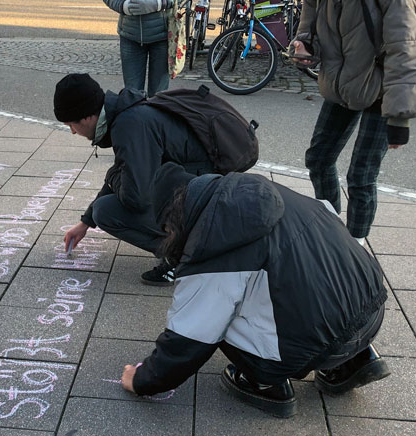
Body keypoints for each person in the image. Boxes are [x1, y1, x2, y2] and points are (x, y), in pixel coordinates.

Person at [119, 162, 391, 417]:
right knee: (285, 280)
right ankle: (356, 359)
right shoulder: (258, 190)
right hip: (373, 309)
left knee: (218, 312)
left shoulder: (211, 240)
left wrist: (144, 380)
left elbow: (189, 336)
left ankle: (265, 383)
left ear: (174, 221)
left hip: (319, 344)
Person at [290, 0, 416, 246]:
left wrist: (400, 118)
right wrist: (303, 45)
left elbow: (408, 50)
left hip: (382, 92)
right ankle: (331, 235)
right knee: (319, 159)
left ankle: (355, 250)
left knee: (361, 175)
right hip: (343, 85)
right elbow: (308, 31)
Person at [54, 73, 216, 285]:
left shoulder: (129, 125)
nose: (73, 132)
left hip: (204, 196)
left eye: (70, 125)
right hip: (200, 186)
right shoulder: (125, 115)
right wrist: (86, 221)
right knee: (104, 205)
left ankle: (187, 255)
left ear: (86, 117)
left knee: (107, 211)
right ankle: (191, 245)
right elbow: (127, 171)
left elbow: (136, 198)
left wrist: (112, 176)